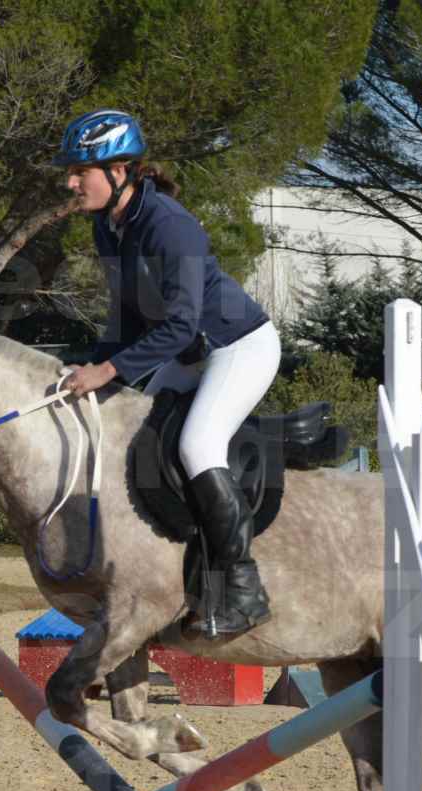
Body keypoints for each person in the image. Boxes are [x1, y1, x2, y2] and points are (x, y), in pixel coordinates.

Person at [54, 108, 281, 637]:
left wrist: (110, 369)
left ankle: (244, 589)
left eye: (79, 171)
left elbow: (179, 324)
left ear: (119, 171)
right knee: (137, 442)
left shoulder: (169, 225)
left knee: (196, 447)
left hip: (236, 345)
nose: (69, 181)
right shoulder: (108, 228)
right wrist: (92, 368)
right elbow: (129, 317)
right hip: (188, 353)